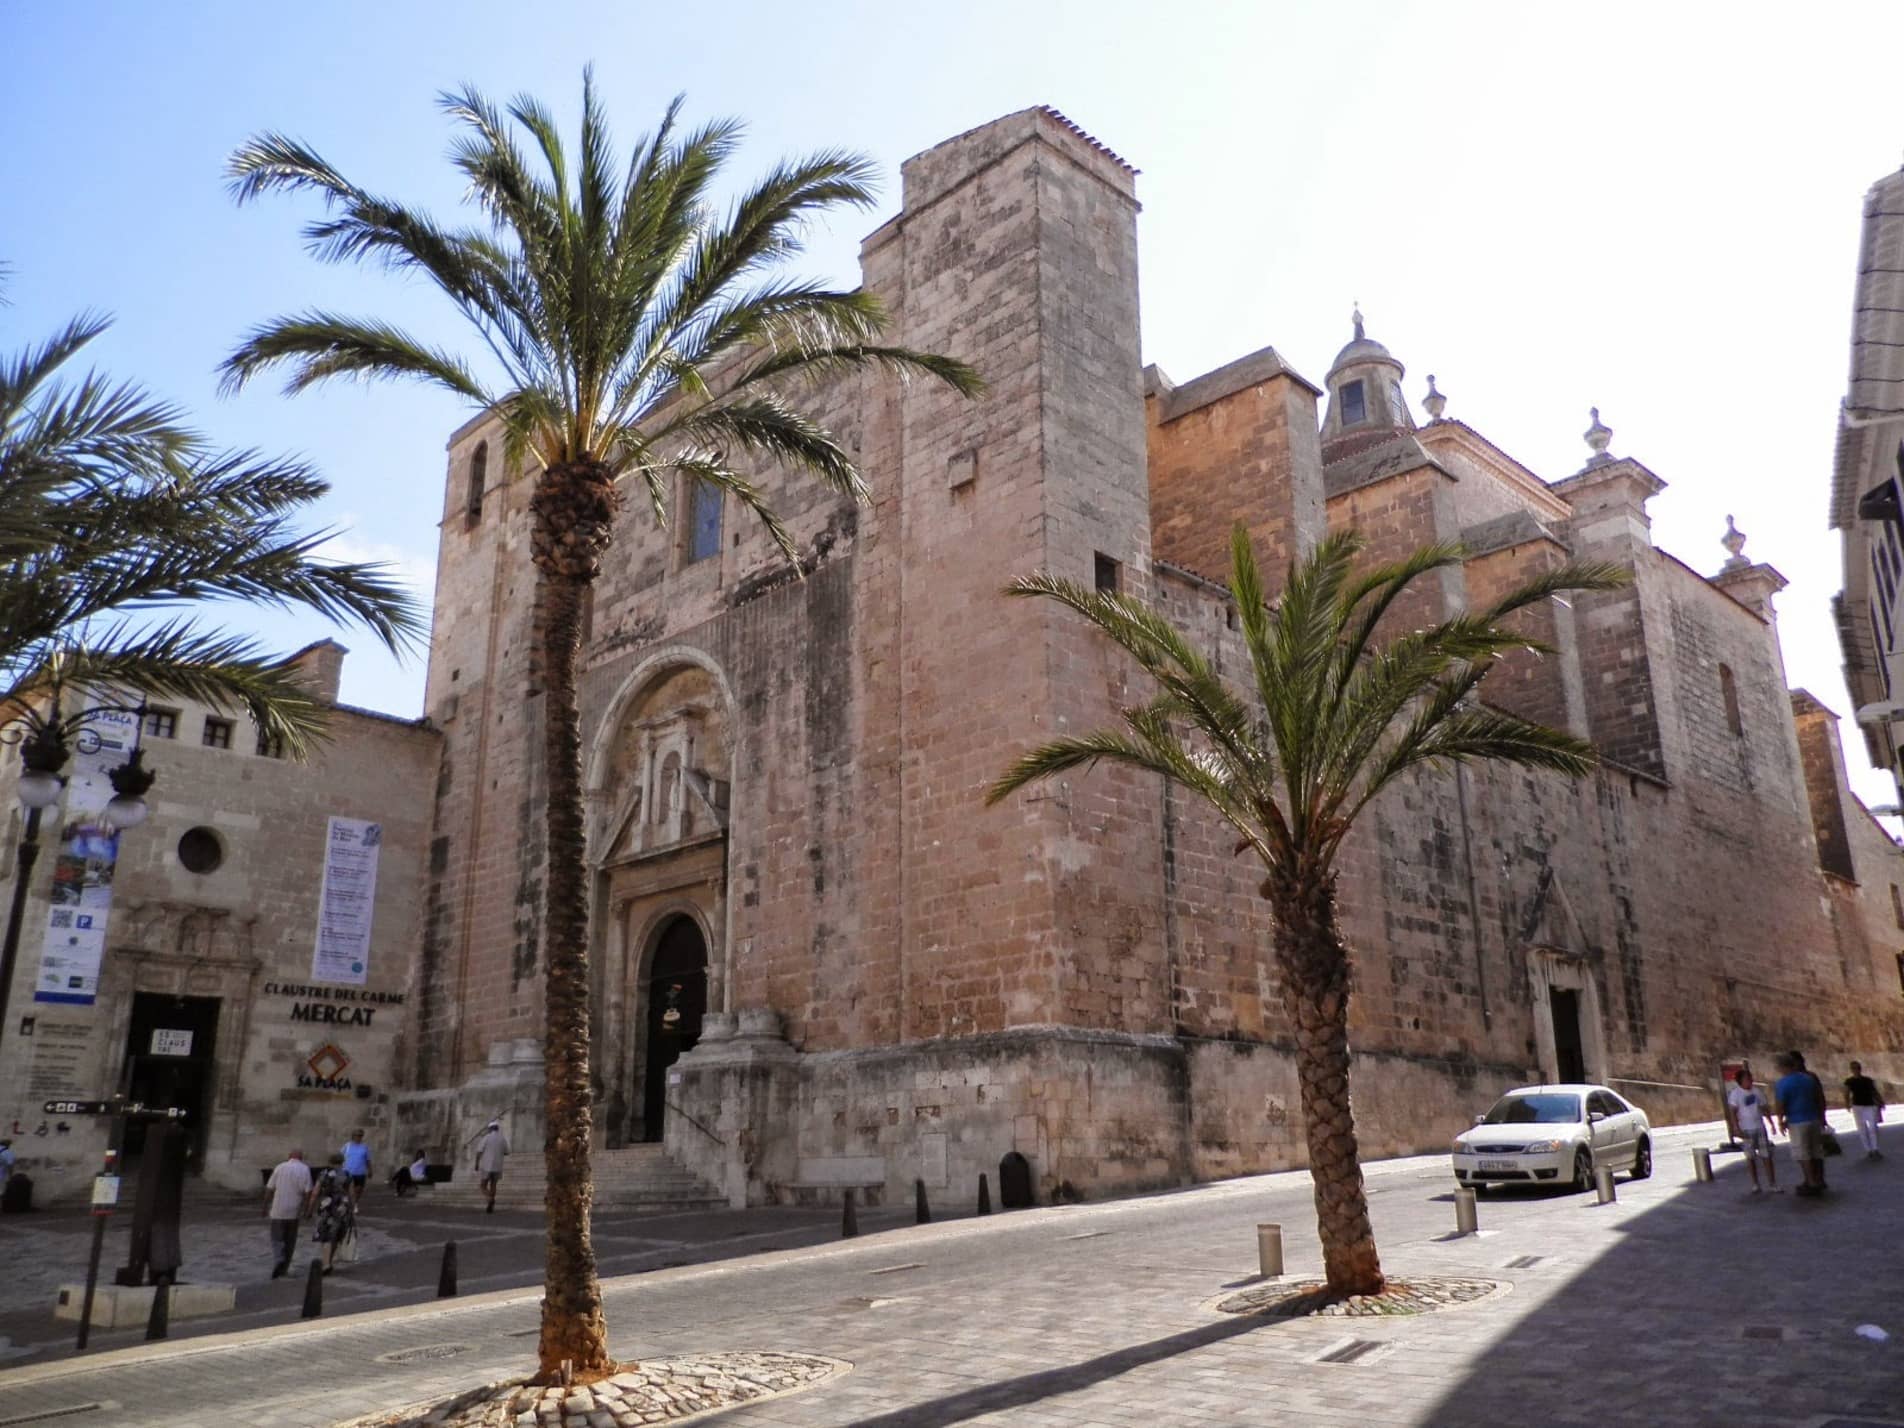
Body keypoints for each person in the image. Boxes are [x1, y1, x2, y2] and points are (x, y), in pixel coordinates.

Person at [1773, 1051, 1828, 1197]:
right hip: (1813, 1118)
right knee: (1816, 1150)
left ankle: (1811, 1182)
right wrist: (1822, 1116)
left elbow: (1780, 1104)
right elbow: (1819, 1098)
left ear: (1783, 1067)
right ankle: (1820, 1178)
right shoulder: (1808, 1079)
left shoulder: (1783, 1083)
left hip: (1797, 1121)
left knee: (1803, 1153)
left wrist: (1780, 1120)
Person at [1727, 1066, 1779, 1194]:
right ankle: (1755, 1183)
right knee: (1750, 1157)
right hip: (1746, 1128)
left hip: (1759, 1126)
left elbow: (1764, 1107)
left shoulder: (1757, 1092)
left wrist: (1771, 1123)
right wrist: (1736, 1128)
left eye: (1750, 1078)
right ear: (1741, 1081)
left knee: (1766, 1155)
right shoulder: (1736, 1094)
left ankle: (1772, 1183)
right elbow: (1733, 1112)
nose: (1750, 1081)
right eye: (1747, 1079)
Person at [263, 1148, 313, 1278]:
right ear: (301, 1157)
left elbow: (269, 1188)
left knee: (277, 1238)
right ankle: (284, 1267)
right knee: (290, 1240)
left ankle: (279, 1258)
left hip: (278, 1209)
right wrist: (307, 1208)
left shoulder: (279, 1167)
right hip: (293, 1210)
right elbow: (308, 1192)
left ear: (289, 1156)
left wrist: (264, 1205)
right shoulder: (305, 1169)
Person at [309, 1153, 356, 1273]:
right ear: (342, 1161)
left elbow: (315, 1192)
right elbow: (351, 1194)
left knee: (325, 1236)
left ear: (329, 1161)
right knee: (336, 1234)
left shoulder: (323, 1174)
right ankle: (328, 1261)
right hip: (342, 1207)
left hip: (327, 1205)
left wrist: (310, 1208)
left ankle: (326, 1264)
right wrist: (352, 1208)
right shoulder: (347, 1174)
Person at [1844, 1061, 1885, 1160]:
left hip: (1869, 1105)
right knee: (1862, 1128)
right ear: (1851, 1070)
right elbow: (1846, 1093)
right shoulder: (1849, 1081)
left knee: (1873, 1128)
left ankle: (1875, 1149)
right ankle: (1868, 1150)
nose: (1856, 1070)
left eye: (1857, 1068)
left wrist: (1880, 1101)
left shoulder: (1867, 1080)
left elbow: (1874, 1091)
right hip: (1857, 1106)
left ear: (1860, 1069)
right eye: (1853, 1068)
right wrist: (1847, 1104)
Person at [469, 1120, 508, 1213]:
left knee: (483, 1186)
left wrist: (476, 1163)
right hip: (498, 1166)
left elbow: (479, 1151)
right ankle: (491, 1202)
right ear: (497, 1128)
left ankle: (489, 1198)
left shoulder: (486, 1137)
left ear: (490, 1129)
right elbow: (506, 1152)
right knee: (493, 1185)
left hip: (487, 1165)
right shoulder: (502, 1139)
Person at [340, 1129, 372, 1207]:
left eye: (361, 1135)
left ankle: (355, 1202)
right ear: (353, 1136)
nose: (359, 1137)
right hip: (348, 1171)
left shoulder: (365, 1147)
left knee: (359, 1190)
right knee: (347, 1189)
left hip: (360, 1172)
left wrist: (370, 1170)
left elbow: (368, 1160)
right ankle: (349, 1203)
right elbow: (340, 1157)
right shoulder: (347, 1146)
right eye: (357, 1135)